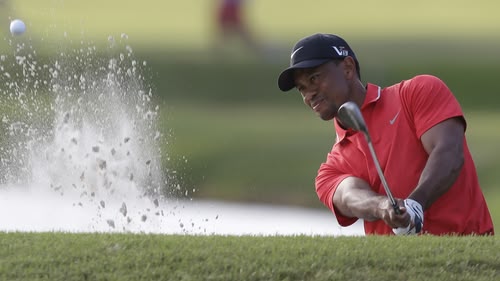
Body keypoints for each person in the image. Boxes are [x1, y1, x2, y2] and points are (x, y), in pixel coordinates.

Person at [276, 33, 494, 235]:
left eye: (314, 78)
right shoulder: (330, 171)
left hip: (472, 258)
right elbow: (349, 196)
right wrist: (382, 207)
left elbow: (449, 153)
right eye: (302, 88)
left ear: (348, 68)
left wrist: (416, 203)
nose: (308, 95)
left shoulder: (417, 93)